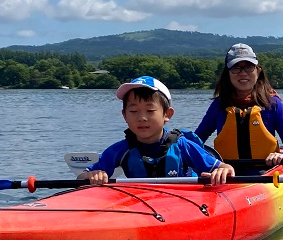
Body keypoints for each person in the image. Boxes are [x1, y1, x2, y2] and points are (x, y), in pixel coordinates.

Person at [80, 76, 235, 185]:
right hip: (143, 206)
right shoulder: (120, 150)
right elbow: (81, 177)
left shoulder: (182, 145)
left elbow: (225, 168)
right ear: (124, 116)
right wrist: (92, 175)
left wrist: (222, 172)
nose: (142, 118)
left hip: (184, 205)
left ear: (167, 114)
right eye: (133, 112)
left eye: (150, 111)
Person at [195, 43, 283, 166]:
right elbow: (196, 141)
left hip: (265, 172)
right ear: (227, 74)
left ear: (258, 71)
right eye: (236, 68)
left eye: (249, 67)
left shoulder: (273, 104)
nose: (243, 73)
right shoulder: (218, 105)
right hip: (227, 172)